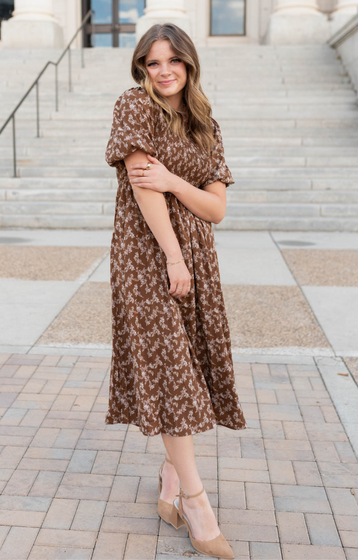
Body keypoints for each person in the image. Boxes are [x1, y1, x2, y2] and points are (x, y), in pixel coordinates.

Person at [105, 22, 247, 559]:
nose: (164, 71)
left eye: (174, 61)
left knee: (190, 371)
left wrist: (174, 181)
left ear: (189, 65)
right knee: (171, 375)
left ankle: (169, 478)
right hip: (149, 259)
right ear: (141, 67)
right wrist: (171, 255)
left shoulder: (204, 122)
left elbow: (216, 209)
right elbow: (143, 187)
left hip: (196, 262)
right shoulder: (132, 106)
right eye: (153, 62)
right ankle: (196, 505)